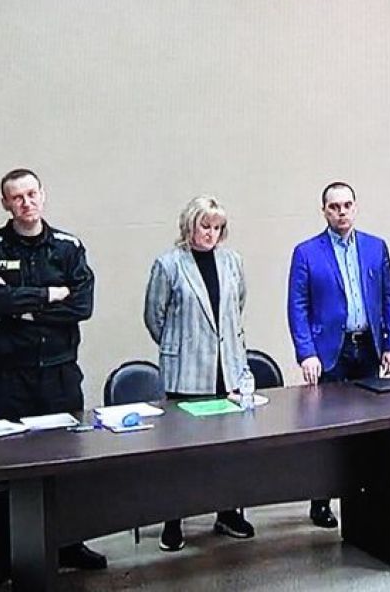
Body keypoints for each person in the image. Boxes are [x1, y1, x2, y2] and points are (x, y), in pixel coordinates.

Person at [0, 168, 107, 588]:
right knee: (2, 473)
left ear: (42, 196)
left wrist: (24, 310)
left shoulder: (67, 247)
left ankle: (70, 544)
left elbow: (82, 306)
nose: (26, 203)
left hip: (60, 376)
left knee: (65, 467)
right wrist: (49, 294)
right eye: (17, 197)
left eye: (32, 194)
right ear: (5, 204)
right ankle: (3, 556)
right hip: (8, 379)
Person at [287, 181, 390, 528]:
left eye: (347, 205)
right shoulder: (307, 252)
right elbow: (297, 307)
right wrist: (306, 353)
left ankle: (367, 496)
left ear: (356, 207)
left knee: (370, 427)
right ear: (324, 211)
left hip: (367, 347)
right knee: (328, 429)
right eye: (334, 207)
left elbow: (389, 297)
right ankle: (321, 501)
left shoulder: (375, 247)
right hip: (328, 353)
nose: (341, 212)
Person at [144, 196, 255, 552]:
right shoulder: (168, 264)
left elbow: (237, 306)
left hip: (226, 371)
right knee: (183, 454)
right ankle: (173, 521)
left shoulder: (232, 261)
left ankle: (227, 512)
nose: (210, 234)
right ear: (189, 226)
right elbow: (154, 317)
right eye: (204, 226)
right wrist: (183, 346)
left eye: (217, 227)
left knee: (226, 451)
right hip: (186, 372)